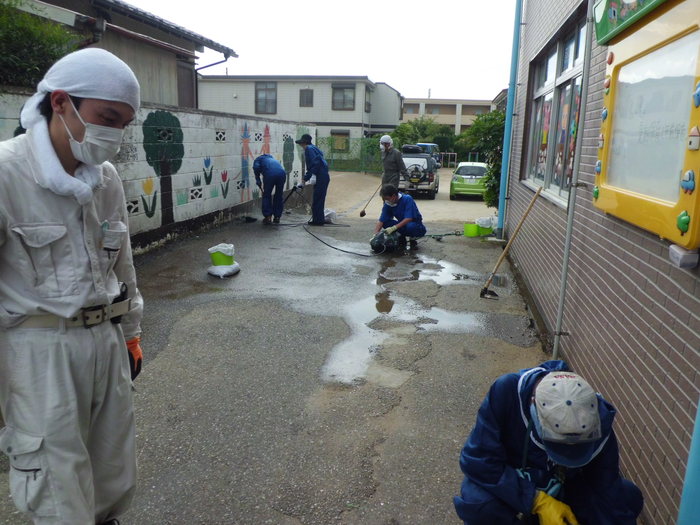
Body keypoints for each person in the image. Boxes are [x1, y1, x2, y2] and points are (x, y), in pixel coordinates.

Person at [0, 48, 145, 525]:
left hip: (104, 340)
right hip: (38, 350)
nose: (115, 134)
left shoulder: (105, 180)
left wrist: (131, 334)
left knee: (111, 471)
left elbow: (121, 265)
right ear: (61, 102)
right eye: (108, 117)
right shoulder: (7, 174)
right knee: (56, 484)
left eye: (124, 123)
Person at [454, 360, 643, 525]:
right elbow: (477, 460)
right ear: (533, 406)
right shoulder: (507, 392)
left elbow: (606, 486)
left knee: (628, 497)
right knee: (480, 504)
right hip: (514, 483)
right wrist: (536, 501)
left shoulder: (597, 420)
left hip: (563, 486)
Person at [373, 184, 426, 250]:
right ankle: (401, 238)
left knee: (410, 226)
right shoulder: (388, 204)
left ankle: (412, 239)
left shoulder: (407, 199)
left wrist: (394, 228)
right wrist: (375, 235)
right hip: (402, 225)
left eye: (387, 199)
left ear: (394, 196)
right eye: (384, 199)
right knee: (386, 222)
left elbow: (409, 218)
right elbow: (382, 220)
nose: (386, 201)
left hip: (416, 226)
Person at [295, 133, 330, 225]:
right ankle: (319, 219)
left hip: (320, 176)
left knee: (317, 199)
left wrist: (311, 176)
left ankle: (318, 221)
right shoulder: (314, 148)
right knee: (319, 199)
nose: (301, 146)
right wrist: (305, 180)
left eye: (301, 144)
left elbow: (315, 163)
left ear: (304, 143)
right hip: (323, 176)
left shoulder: (309, 149)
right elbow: (314, 164)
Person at [253, 153, 287, 224]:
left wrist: (258, 181)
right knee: (278, 195)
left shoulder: (257, 160)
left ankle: (268, 217)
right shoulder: (271, 159)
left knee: (267, 195)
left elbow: (256, 168)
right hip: (282, 174)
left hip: (270, 174)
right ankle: (277, 217)